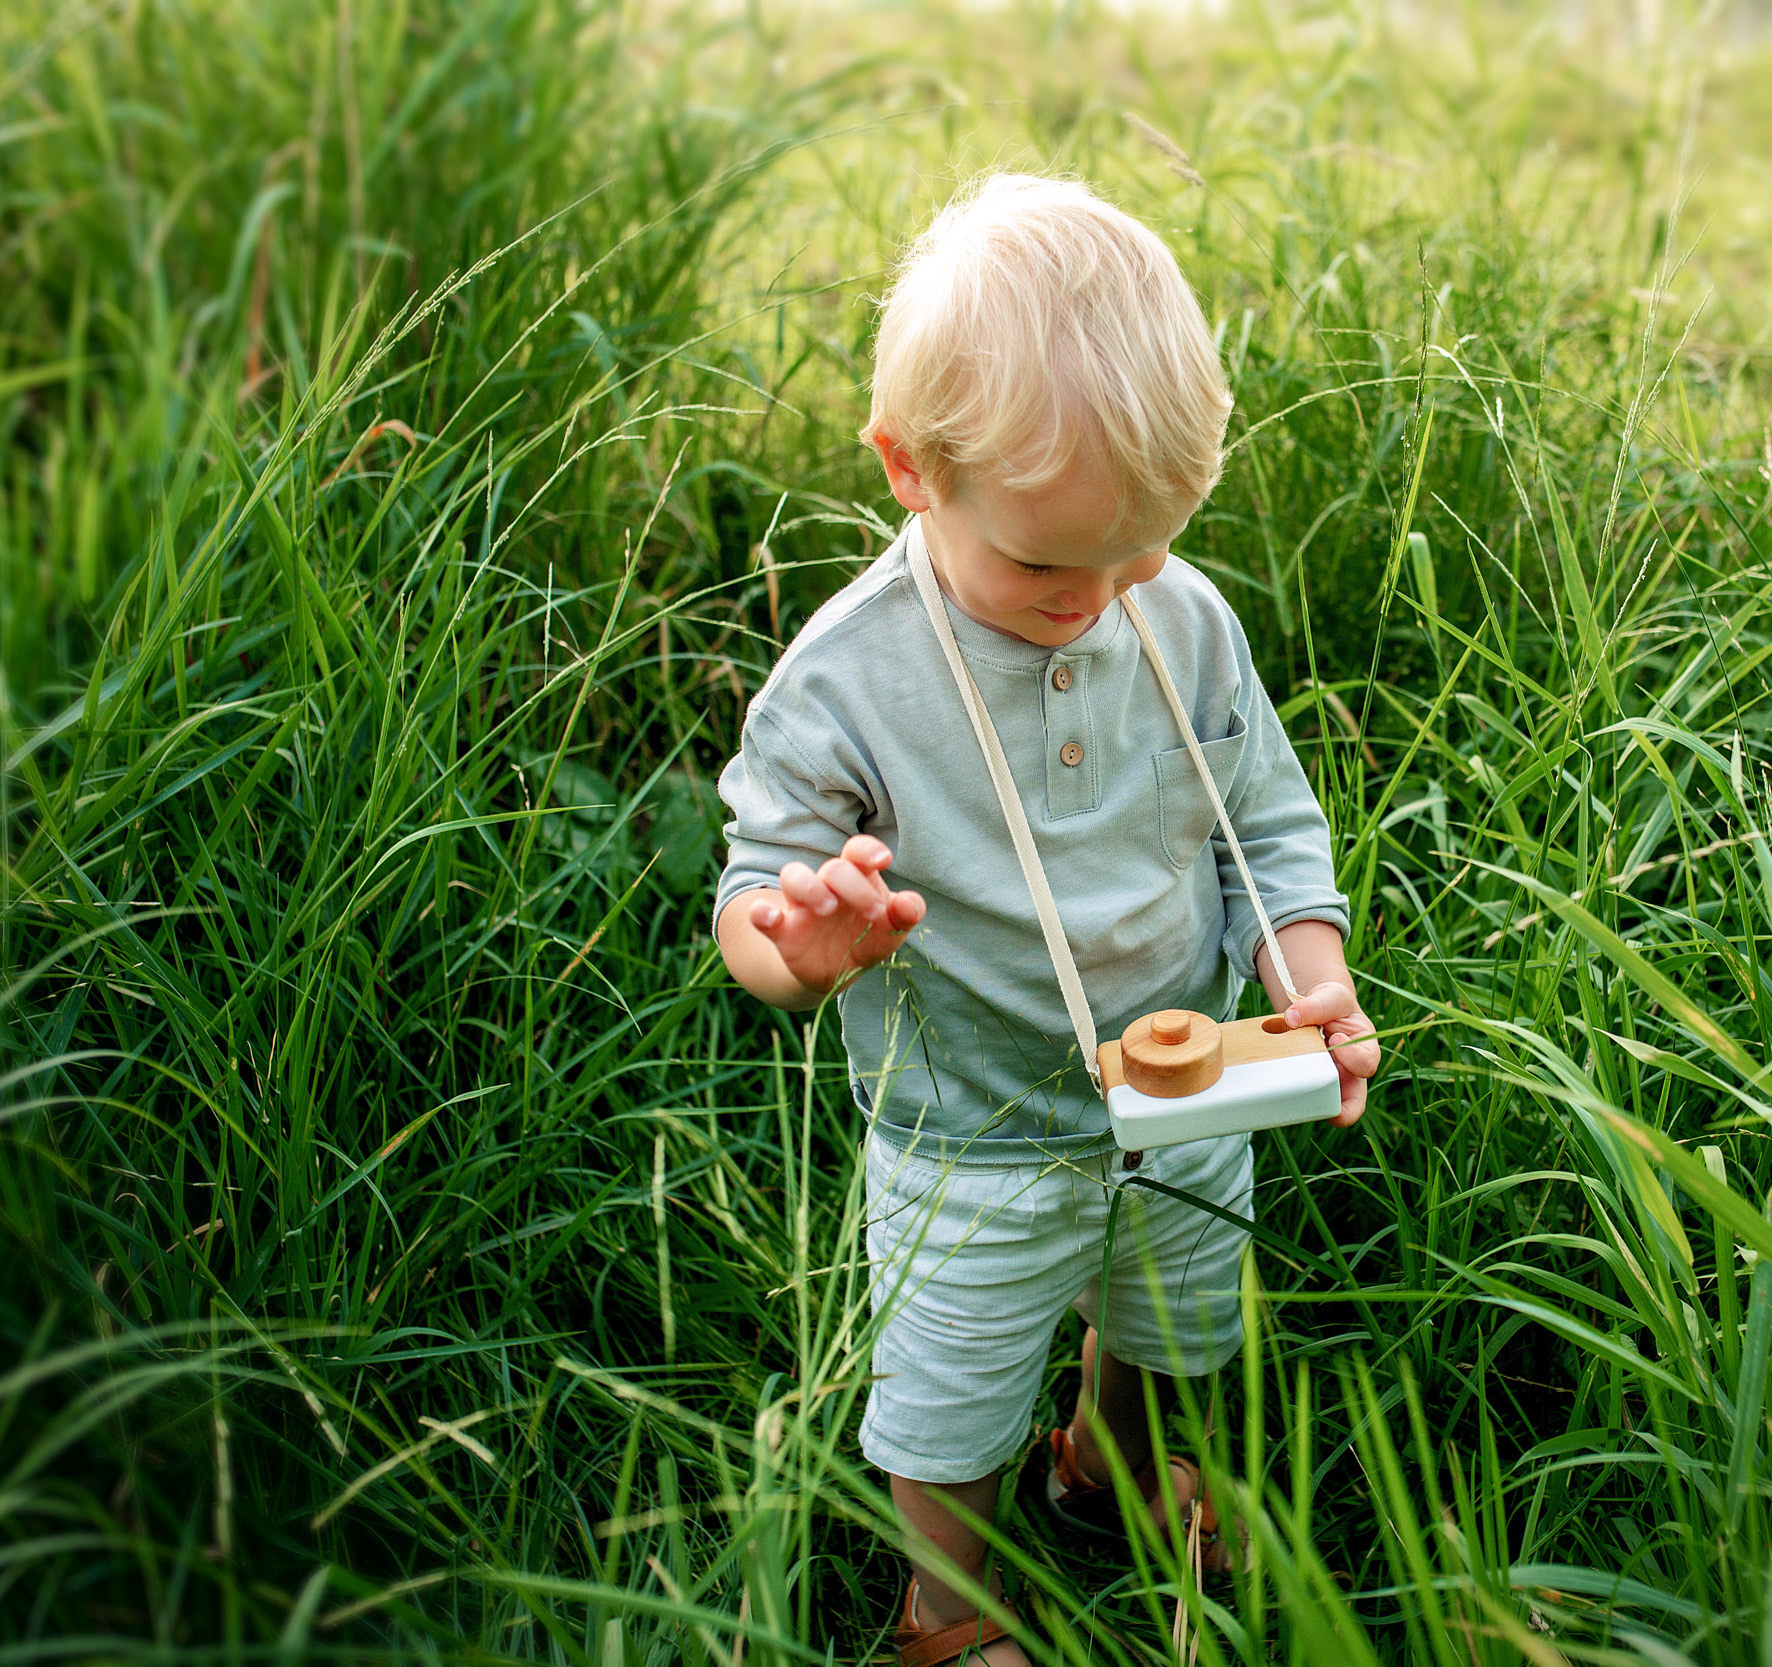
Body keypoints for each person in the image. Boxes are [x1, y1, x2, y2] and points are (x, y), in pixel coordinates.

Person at [711, 173, 1379, 1666]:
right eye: (1042, 564)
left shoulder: (1182, 618)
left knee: (1165, 1325)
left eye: (1138, 552)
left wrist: (1311, 980)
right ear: (911, 467)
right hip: (973, 1132)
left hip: (1186, 1079)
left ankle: (1106, 1469)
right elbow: (754, 902)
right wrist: (797, 951)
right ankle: (948, 1611)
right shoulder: (846, 680)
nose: (1095, 597)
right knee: (951, 1405)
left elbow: (1267, 831)